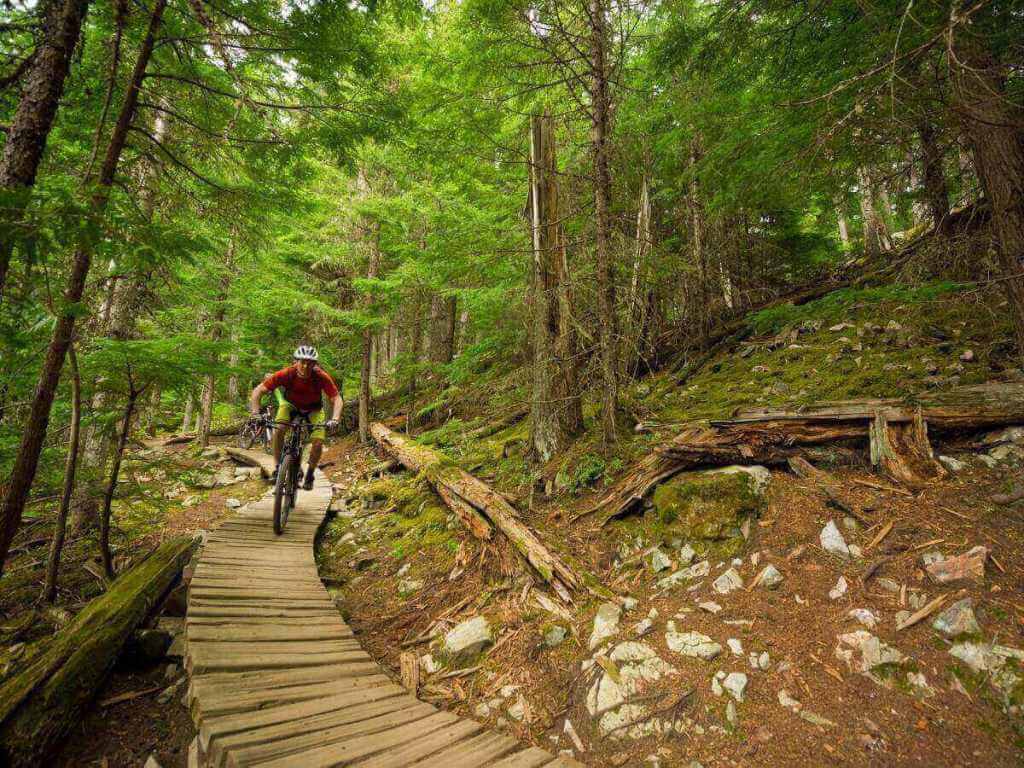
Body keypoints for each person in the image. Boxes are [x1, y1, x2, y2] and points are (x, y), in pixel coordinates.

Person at [249, 345, 343, 490]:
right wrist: (255, 414)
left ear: (314, 364)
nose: (305, 366)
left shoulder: (320, 376)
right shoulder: (287, 373)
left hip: (314, 410)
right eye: (302, 362)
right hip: (290, 406)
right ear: (296, 361)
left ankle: (310, 473)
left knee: (318, 442)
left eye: (310, 363)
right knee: (279, 430)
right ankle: (278, 467)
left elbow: (336, 398)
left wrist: (335, 419)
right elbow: (258, 391)